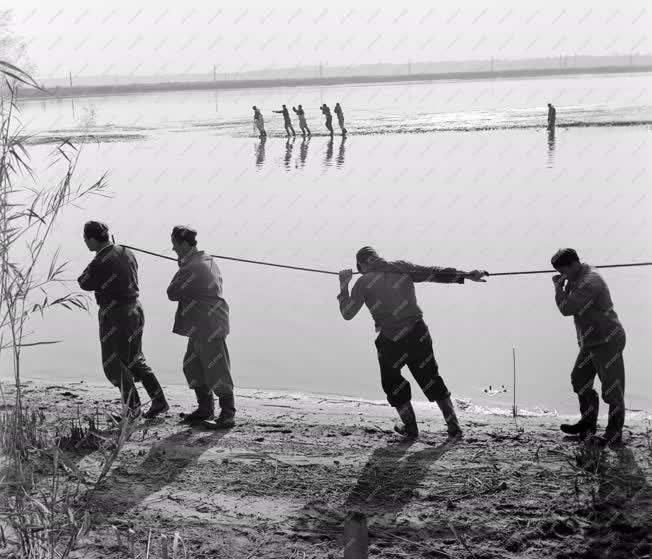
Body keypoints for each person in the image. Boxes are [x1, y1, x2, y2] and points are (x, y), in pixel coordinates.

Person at [337, 247, 488, 440]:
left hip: (391, 341)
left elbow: (347, 314)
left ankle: (411, 429)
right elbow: (433, 273)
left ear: (362, 265)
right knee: (431, 377)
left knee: (393, 383)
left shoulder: (363, 282)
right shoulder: (402, 267)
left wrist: (343, 285)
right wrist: (466, 275)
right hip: (418, 333)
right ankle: (454, 427)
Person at [78, 221, 168, 420]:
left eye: (85, 239)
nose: (85, 243)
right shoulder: (126, 252)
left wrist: (97, 259)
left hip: (116, 314)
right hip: (135, 309)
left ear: (93, 239)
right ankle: (159, 400)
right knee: (135, 359)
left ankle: (133, 410)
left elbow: (84, 282)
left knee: (114, 363)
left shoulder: (101, 260)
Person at [551, 248, 626, 447]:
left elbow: (567, 309)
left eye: (563, 271)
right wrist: (564, 284)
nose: (561, 275)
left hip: (606, 340)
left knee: (612, 388)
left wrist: (558, 288)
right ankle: (587, 424)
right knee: (580, 378)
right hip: (590, 342)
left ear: (574, 264)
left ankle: (614, 433)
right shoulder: (576, 277)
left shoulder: (590, 281)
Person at [166, 226, 235, 428]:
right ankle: (205, 409)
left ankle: (228, 415)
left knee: (217, 369)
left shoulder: (192, 268)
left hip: (208, 325)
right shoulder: (205, 259)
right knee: (192, 366)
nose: (173, 249)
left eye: (175, 245)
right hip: (201, 324)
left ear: (185, 244)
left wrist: (182, 266)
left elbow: (172, 293)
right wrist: (183, 262)